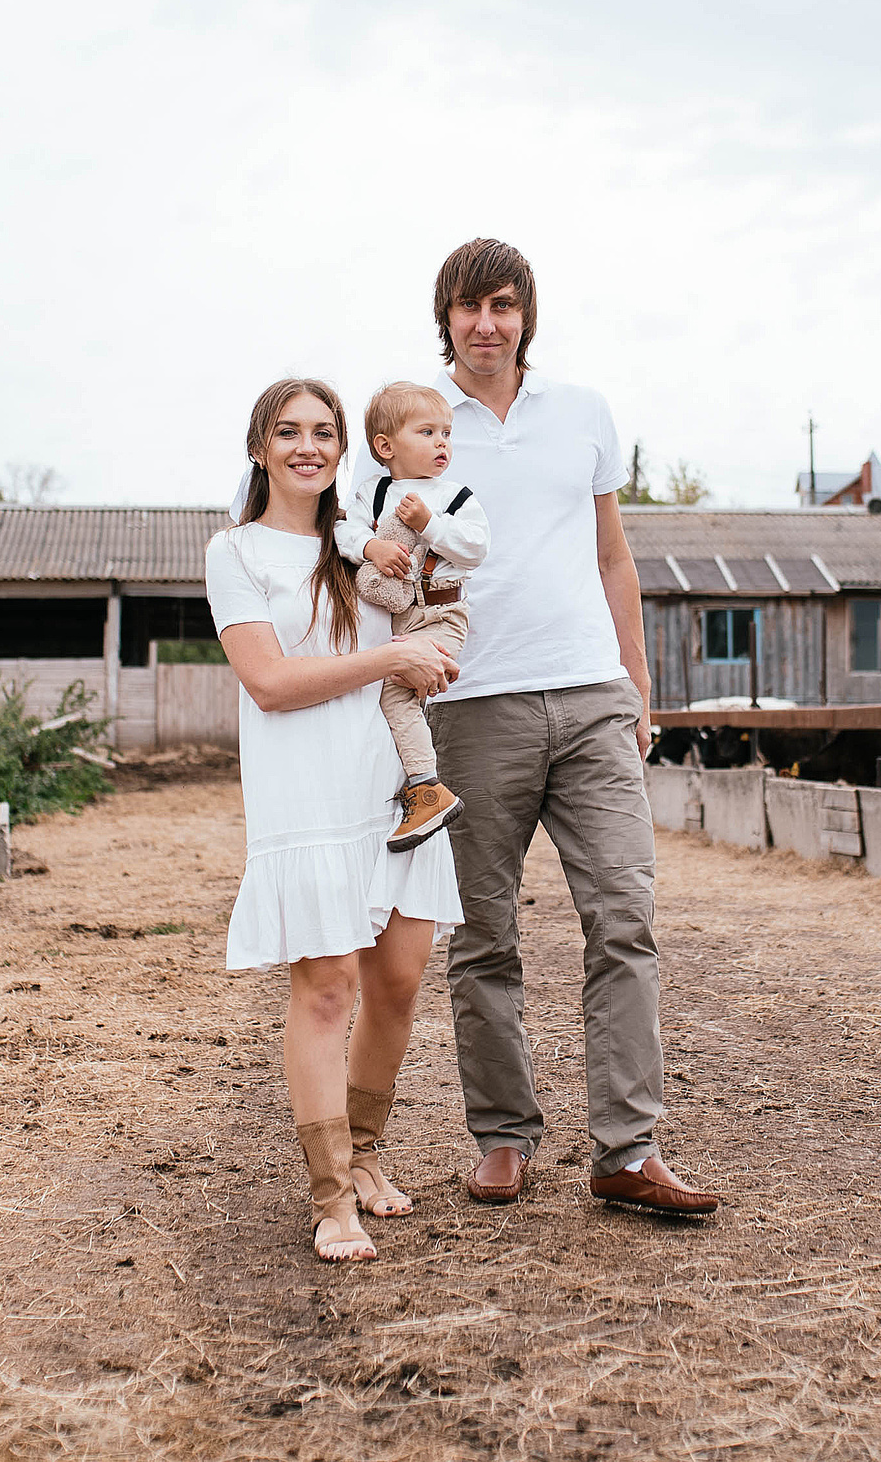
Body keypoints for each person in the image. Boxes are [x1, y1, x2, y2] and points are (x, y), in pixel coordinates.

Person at [422, 238, 723, 1217]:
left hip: (591, 695)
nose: (485, 324)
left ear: (525, 317)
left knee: (624, 920)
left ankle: (626, 1150)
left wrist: (637, 684)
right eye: (468, 307)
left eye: (502, 305)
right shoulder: (419, 427)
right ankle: (502, 1138)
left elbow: (613, 558)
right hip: (472, 703)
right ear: (445, 320)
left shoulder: (583, 414)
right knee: (482, 935)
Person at [206, 377, 466, 1262]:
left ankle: (366, 1156)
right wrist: (395, 653)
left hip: (390, 782)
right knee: (326, 989)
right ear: (260, 449)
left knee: (398, 980)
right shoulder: (236, 553)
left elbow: (435, 590)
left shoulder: (366, 542)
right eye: (289, 432)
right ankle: (329, 1196)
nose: (308, 446)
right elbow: (271, 684)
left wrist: (431, 647)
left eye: (324, 432)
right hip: (308, 791)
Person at [337, 380, 491, 853]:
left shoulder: (455, 496)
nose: (442, 442)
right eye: (427, 432)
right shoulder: (373, 491)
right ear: (386, 446)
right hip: (395, 618)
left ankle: (427, 788)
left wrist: (430, 524)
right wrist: (372, 547)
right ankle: (408, 784)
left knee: (397, 697)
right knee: (393, 699)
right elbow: (343, 533)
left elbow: (476, 547)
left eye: (446, 432)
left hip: (442, 614)